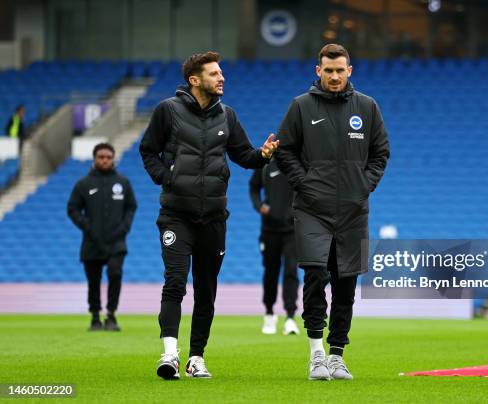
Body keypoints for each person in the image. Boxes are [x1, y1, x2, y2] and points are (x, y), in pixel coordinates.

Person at [139, 51, 278, 380]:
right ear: (195, 80)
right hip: (176, 215)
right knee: (175, 282)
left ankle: (196, 358)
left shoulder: (227, 116)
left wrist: (264, 155)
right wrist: (165, 176)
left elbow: (244, 156)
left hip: (214, 217)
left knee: (206, 289)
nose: (221, 78)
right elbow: (148, 149)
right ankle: (170, 354)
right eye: (215, 73)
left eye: (221, 73)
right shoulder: (167, 111)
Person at [276, 44, 390, 381]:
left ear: (349, 71)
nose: (335, 76)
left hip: (353, 210)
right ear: (318, 71)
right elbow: (285, 152)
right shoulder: (301, 106)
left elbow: (381, 152)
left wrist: (363, 186)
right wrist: (305, 183)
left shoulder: (367, 107)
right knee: (315, 277)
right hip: (312, 208)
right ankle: (316, 353)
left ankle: (337, 354)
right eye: (329, 70)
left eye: (340, 70)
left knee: (346, 284)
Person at [67, 142, 137, 332]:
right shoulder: (84, 184)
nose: (105, 160)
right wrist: (86, 226)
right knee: (94, 281)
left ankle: (111, 315)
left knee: (115, 274)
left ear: (113, 159)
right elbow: (72, 208)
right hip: (92, 241)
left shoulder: (123, 182)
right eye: (101, 157)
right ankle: (95, 317)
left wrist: (124, 227)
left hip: (117, 241)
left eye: (108, 157)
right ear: (95, 159)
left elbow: (131, 206)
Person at [249, 159, 299, 335]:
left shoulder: (298, 163)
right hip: (270, 229)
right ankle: (269, 313)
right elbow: (253, 187)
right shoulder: (264, 166)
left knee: (291, 270)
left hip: (292, 230)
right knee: (271, 271)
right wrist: (259, 205)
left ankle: (291, 317)